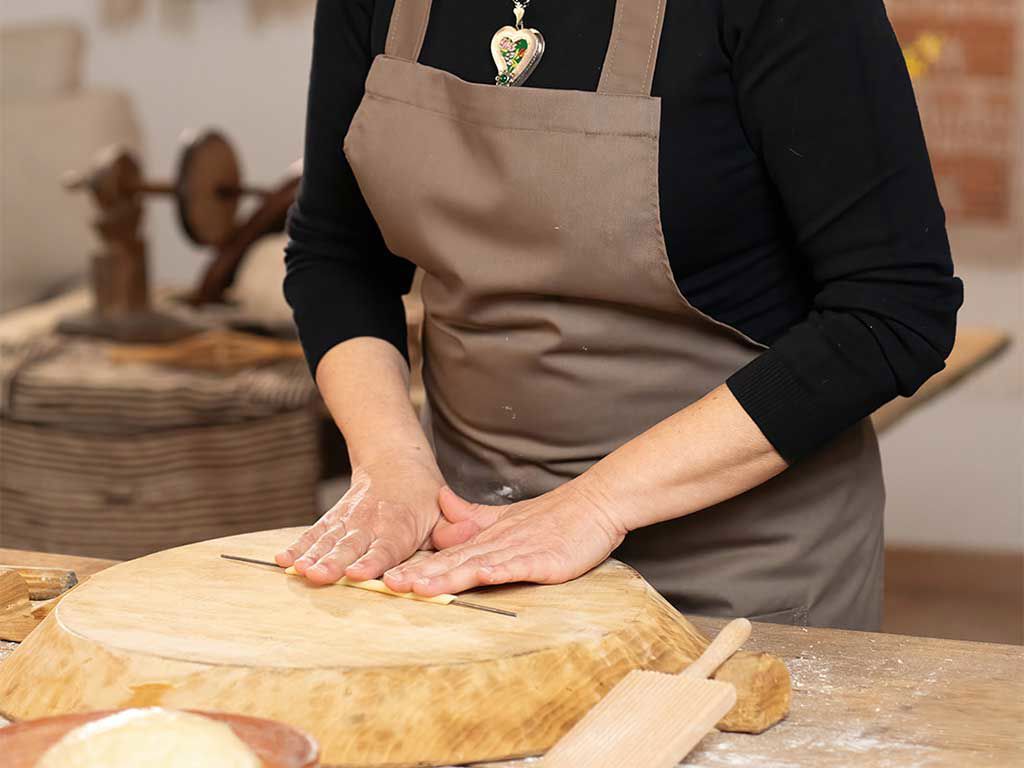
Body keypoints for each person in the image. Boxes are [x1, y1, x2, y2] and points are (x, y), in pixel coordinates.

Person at [276, 0, 963, 630]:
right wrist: (392, 466)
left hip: (736, 574)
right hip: (464, 548)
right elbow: (338, 253)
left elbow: (891, 312)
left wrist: (596, 503)